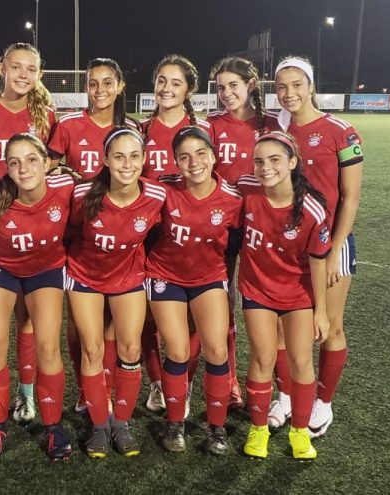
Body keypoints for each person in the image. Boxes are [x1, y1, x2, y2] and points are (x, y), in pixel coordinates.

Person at [269, 57, 363, 438]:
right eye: (281, 87)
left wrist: (335, 249)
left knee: (330, 327)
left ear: (310, 86)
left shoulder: (341, 131)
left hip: (330, 244)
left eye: (296, 85)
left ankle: (323, 403)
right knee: (281, 329)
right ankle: (286, 396)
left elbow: (351, 198)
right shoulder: (277, 130)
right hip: (286, 246)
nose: (289, 93)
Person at [0, 42, 55, 425]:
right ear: (0, 67)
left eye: (30, 68)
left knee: (27, 320)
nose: (23, 74)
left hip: (31, 227)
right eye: (16, 66)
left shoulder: (46, 115)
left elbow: (50, 170)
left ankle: (26, 395)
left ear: (39, 74)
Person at [67, 127, 166, 458]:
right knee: (92, 349)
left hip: (128, 277)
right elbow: (69, 231)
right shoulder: (83, 195)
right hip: (85, 277)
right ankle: (99, 426)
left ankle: (121, 424)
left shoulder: (157, 196)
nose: (127, 164)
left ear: (144, 159)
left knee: (130, 348)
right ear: (106, 160)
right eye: (119, 157)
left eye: (134, 156)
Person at [0, 133, 74, 461]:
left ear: (46, 162)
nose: (24, 168)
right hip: (0, 267)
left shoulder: (67, 189)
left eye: (32, 160)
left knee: (48, 346)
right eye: (14, 162)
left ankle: (53, 425)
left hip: (45, 269)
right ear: (7, 167)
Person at [48, 57, 138, 414]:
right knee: (80, 325)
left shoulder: (131, 127)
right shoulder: (69, 124)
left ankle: (108, 389)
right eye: (93, 83)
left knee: (113, 323)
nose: (100, 90)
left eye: (107, 83)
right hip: (75, 233)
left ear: (120, 86)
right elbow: (50, 171)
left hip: (119, 235)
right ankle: (87, 391)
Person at [145, 126, 242, 455]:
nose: (194, 162)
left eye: (201, 154)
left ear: (213, 156)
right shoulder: (163, 190)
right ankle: (175, 423)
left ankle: (216, 428)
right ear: (176, 161)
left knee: (216, 350)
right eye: (184, 157)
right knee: (178, 351)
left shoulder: (232, 199)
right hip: (165, 275)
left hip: (208, 277)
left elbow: (236, 245)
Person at [237, 131, 330, 460]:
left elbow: (318, 263)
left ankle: (300, 432)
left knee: (301, 361)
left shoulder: (311, 210)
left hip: (297, 295)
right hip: (257, 290)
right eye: (259, 161)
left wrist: (321, 311)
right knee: (262, 358)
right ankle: (259, 428)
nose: (266, 168)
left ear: (292, 162)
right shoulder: (246, 190)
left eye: (275, 160)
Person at [208, 57, 280, 409]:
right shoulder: (211, 124)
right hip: (223, 225)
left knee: (272, 303)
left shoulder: (273, 124)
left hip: (264, 226)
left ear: (251, 84)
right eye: (221, 87)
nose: (226, 93)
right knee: (225, 304)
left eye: (233, 85)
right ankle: (231, 381)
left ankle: (281, 389)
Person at [141, 54, 211, 414]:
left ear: (189, 90)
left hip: (195, 235)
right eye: (162, 80)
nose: (167, 88)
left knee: (196, 315)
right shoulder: (140, 129)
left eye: (176, 82)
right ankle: (157, 383)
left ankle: (185, 381)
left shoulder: (204, 130)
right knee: (147, 317)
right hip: (149, 235)